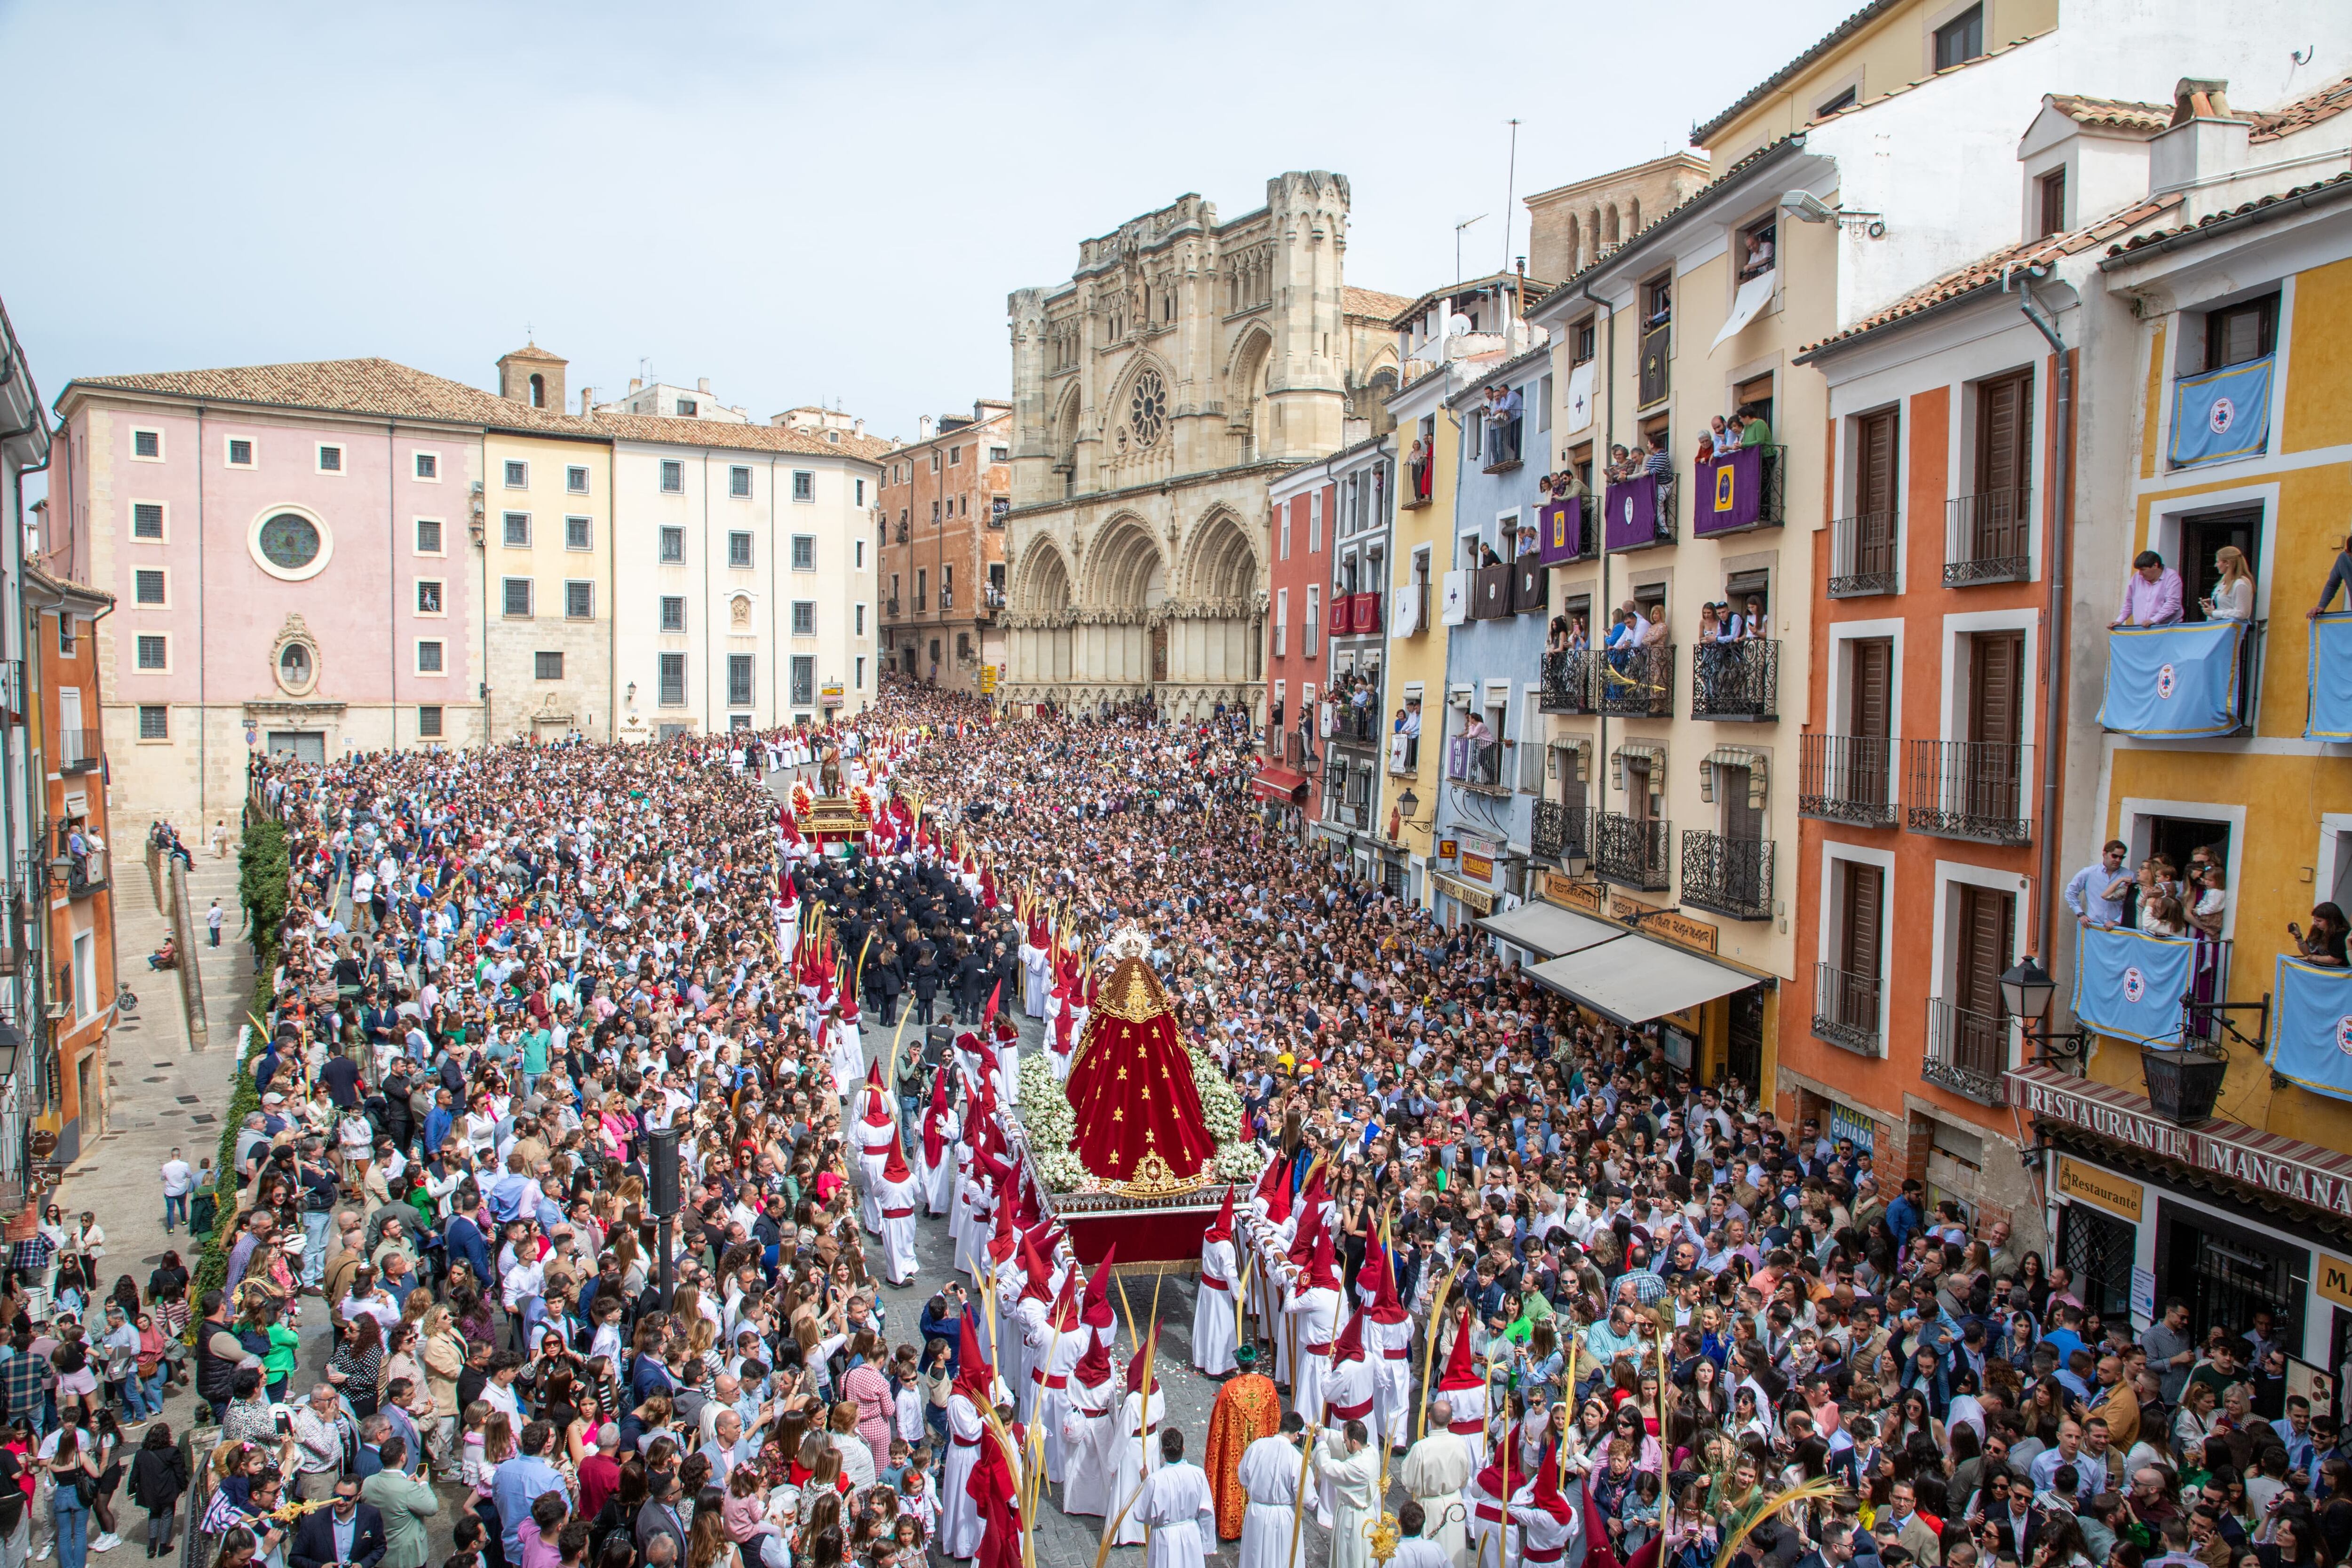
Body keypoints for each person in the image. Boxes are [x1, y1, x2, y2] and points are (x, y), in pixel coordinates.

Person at [1136, 1428, 1215, 1568]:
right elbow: (1207, 1513)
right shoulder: (1198, 1475)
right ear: (1183, 1449)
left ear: (1163, 1452)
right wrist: (1208, 1544)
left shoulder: (1155, 1481)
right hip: (1191, 1535)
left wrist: (1145, 1484)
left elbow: (1143, 1515)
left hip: (1164, 1539)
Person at [361, 1437, 440, 1568]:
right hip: (406, 1557)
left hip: (380, 1554)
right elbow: (432, 1507)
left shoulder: (368, 1482)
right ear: (402, 1457)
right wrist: (424, 1484)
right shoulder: (408, 1489)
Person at [289, 1475, 387, 1568]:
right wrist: (320, 1567)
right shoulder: (312, 1521)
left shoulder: (371, 1516)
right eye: (337, 1496)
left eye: (347, 1498)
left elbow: (380, 1548)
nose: (340, 1502)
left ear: (358, 1496)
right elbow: (295, 1558)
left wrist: (362, 1565)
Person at [2114, 549, 2186, 627]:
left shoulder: (2171, 577)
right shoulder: (2136, 578)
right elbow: (2129, 603)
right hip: (2142, 629)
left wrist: (2154, 620)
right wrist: (2119, 621)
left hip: (2167, 629)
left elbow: (2172, 603)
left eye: (2143, 570)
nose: (2140, 574)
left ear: (2155, 566)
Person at [2204, 546, 2255, 621]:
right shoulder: (2224, 580)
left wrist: (2215, 613)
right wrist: (2212, 604)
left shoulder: (2240, 584)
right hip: (2219, 626)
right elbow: (2225, 606)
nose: (2216, 565)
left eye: (2218, 562)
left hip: (2231, 629)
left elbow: (2242, 613)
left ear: (2227, 563)